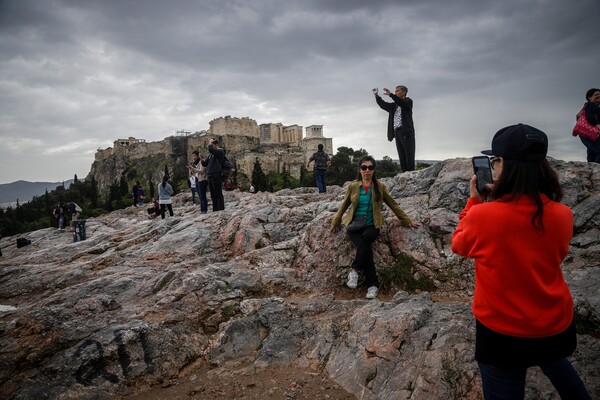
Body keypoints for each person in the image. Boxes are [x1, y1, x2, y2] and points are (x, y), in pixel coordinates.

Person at [451, 124, 591, 400]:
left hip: (503, 332)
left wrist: (475, 202)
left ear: (504, 164)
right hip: (554, 323)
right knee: (559, 369)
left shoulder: (484, 215)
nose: (493, 166)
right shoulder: (563, 214)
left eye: (495, 161)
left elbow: (459, 244)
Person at [331, 155, 419, 299]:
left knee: (366, 240)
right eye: (364, 167)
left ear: (374, 170)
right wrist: (336, 221)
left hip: (372, 225)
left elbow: (393, 204)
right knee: (366, 251)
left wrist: (406, 220)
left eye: (370, 167)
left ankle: (354, 271)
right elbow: (344, 205)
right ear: (360, 170)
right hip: (354, 225)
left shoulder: (380, 187)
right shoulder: (353, 187)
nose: (367, 170)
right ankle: (373, 286)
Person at [374, 85, 416, 172]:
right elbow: (383, 105)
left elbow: (402, 103)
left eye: (397, 91)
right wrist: (377, 96)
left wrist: (391, 95)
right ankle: (404, 173)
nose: (396, 92)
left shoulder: (408, 101)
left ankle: (411, 173)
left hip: (406, 132)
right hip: (397, 132)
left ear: (404, 92)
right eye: (395, 91)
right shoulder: (394, 106)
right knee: (401, 154)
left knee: (409, 154)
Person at [574, 88, 600, 163]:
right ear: (589, 97)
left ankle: (591, 170)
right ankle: (597, 171)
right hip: (591, 133)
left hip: (585, 134)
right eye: (596, 94)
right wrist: (597, 126)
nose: (599, 95)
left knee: (592, 152)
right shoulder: (592, 105)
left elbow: (578, 117)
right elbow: (590, 118)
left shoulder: (586, 107)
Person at [202, 138, 225, 211]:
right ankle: (215, 209)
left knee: (218, 193)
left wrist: (209, 143)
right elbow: (205, 164)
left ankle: (221, 209)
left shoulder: (220, 151)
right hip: (210, 175)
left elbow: (210, 149)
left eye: (213, 144)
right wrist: (201, 159)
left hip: (216, 174)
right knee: (212, 194)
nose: (211, 146)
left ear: (216, 145)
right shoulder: (210, 155)